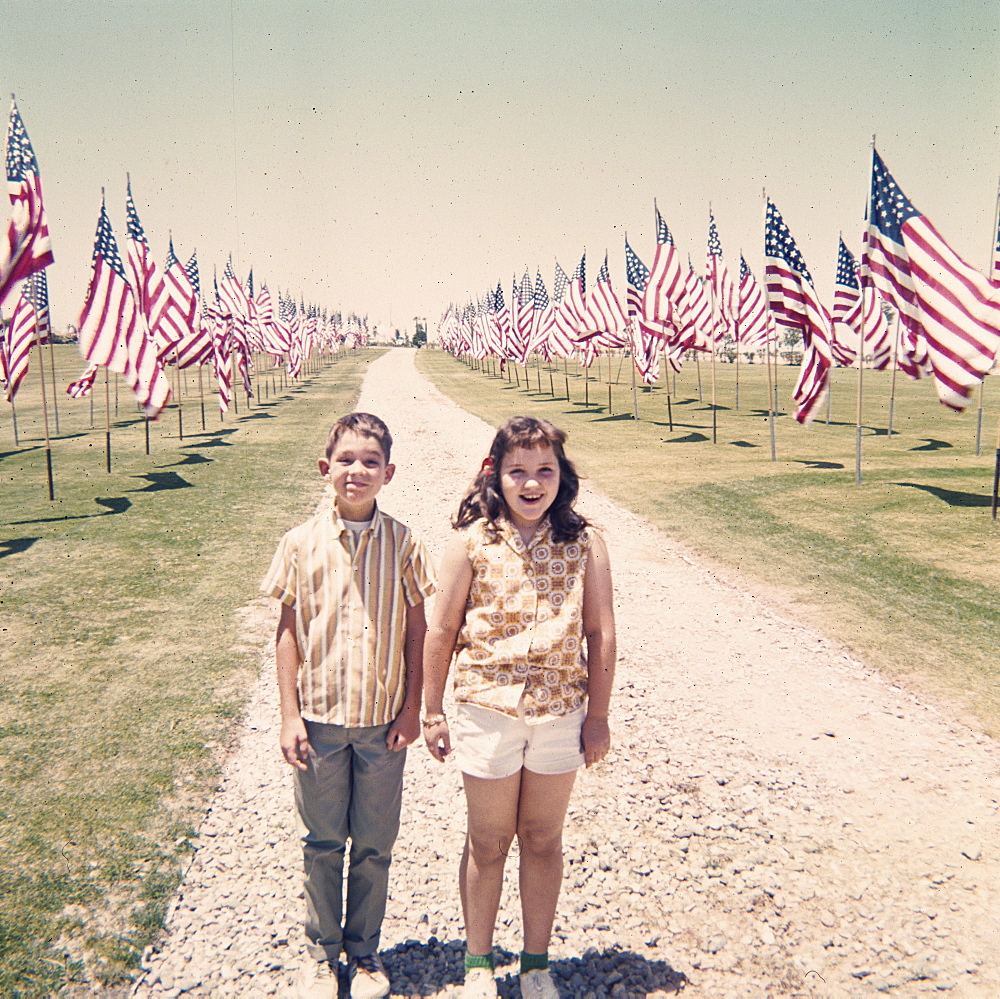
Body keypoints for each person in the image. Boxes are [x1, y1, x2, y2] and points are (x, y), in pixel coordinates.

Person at [422, 416, 616, 999]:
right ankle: (477, 961)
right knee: (488, 840)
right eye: (518, 471)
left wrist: (599, 717)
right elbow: (441, 630)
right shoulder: (471, 543)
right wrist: (432, 711)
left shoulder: (585, 543)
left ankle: (535, 963)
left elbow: (601, 634)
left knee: (541, 838)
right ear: (496, 476)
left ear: (563, 475)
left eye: (544, 471)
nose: (532, 484)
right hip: (487, 709)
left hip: (560, 713)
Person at [261, 412, 435, 999]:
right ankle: (319, 952)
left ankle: (363, 954)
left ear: (388, 472)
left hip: (383, 721)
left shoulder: (405, 543)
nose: (356, 471)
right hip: (321, 721)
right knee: (322, 842)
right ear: (324, 468)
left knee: (374, 844)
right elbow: (286, 632)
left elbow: (418, 631)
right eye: (345, 460)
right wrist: (289, 714)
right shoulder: (299, 544)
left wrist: (414, 709)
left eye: (370, 462)